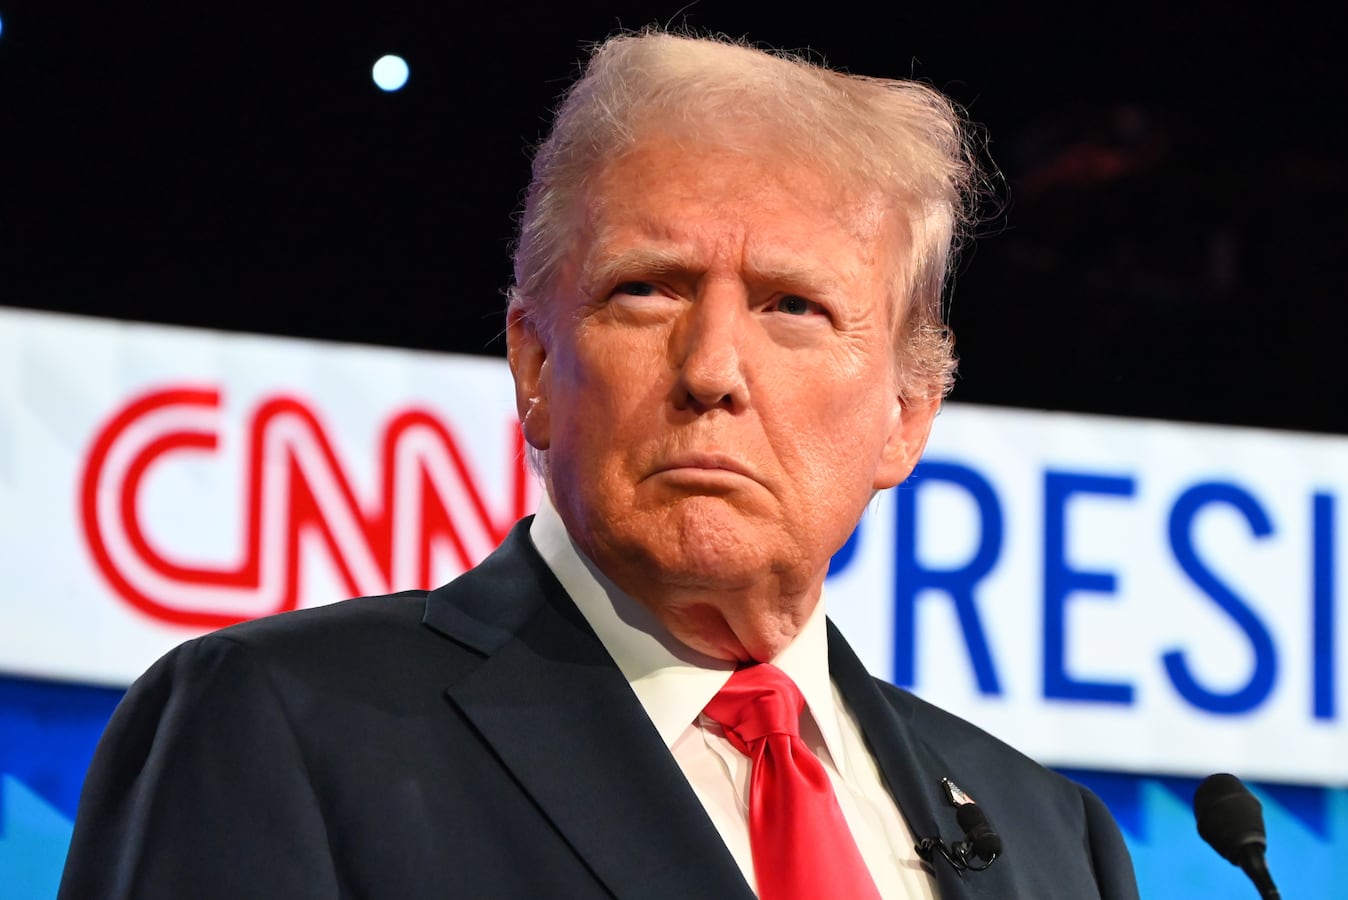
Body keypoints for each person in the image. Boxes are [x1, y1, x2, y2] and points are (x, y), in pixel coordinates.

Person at [60, 32, 1139, 899]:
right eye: (648, 289)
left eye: (792, 307)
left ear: (905, 416)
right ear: (534, 360)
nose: (713, 368)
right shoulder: (279, 723)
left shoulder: (1054, 843)